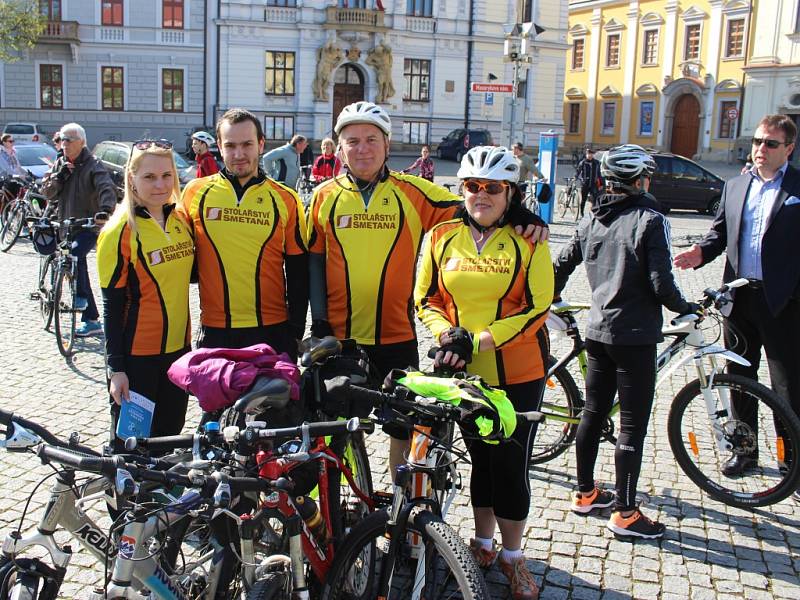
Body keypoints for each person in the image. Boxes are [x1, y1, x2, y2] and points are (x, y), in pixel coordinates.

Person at [307, 101, 548, 481]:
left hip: (396, 337)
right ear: (338, 148)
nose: (363, 148)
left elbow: (477, 205)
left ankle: (397, 511)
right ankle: (343, 516)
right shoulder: (323, 196)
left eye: (372, 139)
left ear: (388, 145)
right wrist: (318, 322)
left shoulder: (414, 192)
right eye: (352, 141)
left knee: (401, 430)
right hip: (340, 338)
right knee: (335, 431)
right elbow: (314, 263)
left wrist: (518, 213)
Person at [415, 146, 553, 600]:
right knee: (480, 460)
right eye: (473, 186)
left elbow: (537, 307)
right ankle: (483, 543)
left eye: (492, 188)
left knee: (511, 465)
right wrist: (445, 336)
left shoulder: (529, 240)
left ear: (509, 193)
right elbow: (425, 298)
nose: (481, 195)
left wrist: (480, 340)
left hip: (517, 371)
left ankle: (514, 558)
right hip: (463, 372)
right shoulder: (441, 237)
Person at [554, 144, 699, 539]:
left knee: (593, 411)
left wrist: (552, 303)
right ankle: (626, 513)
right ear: (639, 181)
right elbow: (661, 283)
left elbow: (559, 266)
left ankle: (585, 494)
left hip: (597, 331)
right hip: (634, 337)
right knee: (631, 425)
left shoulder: (591, 217)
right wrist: (687, 308)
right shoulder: (651, 219)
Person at [674, 114, 800, 491]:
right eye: (758, 142)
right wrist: (700, 253)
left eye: (770, 144)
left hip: (783, 303)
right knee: (739, 381)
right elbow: (720, 235)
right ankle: (744, 451)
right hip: (738, 299)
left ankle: (790, 458)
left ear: (789, 149)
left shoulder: (797, 186)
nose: (761, 149)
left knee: (787, 387)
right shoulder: (735, 185)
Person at [178, 108, 308, 359]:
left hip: (272, 331)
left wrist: (295, 332)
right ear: (219, 146)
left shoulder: (286, 199)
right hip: (215, 330)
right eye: (231, 146)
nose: (239, 154)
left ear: (261, 144)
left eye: (247, 144)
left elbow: (298, 271)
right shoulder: (195, 193)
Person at [97, 140, 194, 449]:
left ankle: (161, 499)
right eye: (150, 177)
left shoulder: (182, 221)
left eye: (167, 176)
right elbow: (111, 307)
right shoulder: (120, 231)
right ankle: (120, 499)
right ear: (131, 178)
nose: (160, 184)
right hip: (138, 358)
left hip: (179, 352)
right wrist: (117, 369)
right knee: (130, 446)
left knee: (169, 438)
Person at [41, 123, 117, 337]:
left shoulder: (94, 165)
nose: (64, 144)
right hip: (64, 225)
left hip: (87, 226)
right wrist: (61, 175)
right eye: (62, 139)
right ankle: (91, 318)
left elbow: (106, 187)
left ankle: (83, 303)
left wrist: (104, 210)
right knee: (70, 263)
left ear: (81, 142)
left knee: (76, 255)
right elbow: (47, 192)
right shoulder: (60, 164)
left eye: (69, 140)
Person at [576, 147, 602, 218]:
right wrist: (575, 177)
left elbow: (599, 174)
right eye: (588, 154)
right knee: (583, 200)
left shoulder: (597, 163)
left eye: (591, 154)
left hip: (593, 184)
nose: (589, 155)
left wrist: (601, 183)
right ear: (586, 154)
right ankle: (581, 212)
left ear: (593, 154)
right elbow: (578, 172)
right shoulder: (583, 163)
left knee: (595, 199)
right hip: (585, 184)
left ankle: (594, 212)